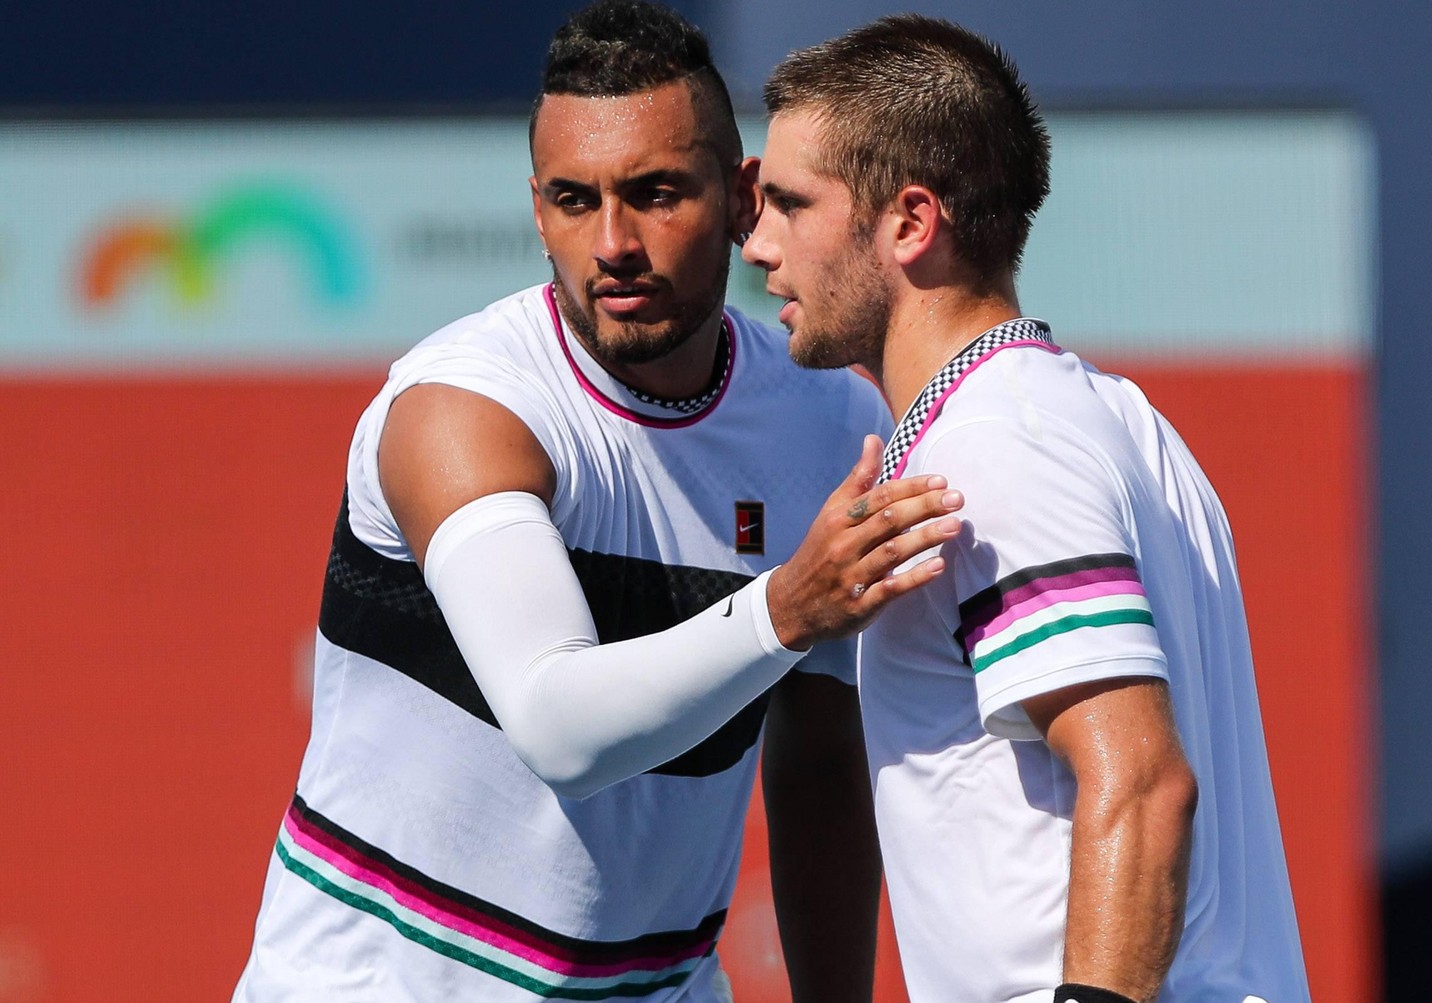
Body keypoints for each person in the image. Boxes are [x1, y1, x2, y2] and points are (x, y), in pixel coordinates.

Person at [231, 3, 964, 1000]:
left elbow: (824, 767)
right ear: (538, 211)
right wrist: (785, 607)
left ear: (743, 196)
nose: (613, 241)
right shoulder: (461, 409)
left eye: (656, 193)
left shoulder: (831, 423)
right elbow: (558, 728)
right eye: (575, 201)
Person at [744, 15, 1312, 1003]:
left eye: (792, 204)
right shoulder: (1114, 420)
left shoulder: (997, 445)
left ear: (911, 223)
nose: (758, 245)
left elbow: (1139, 780)